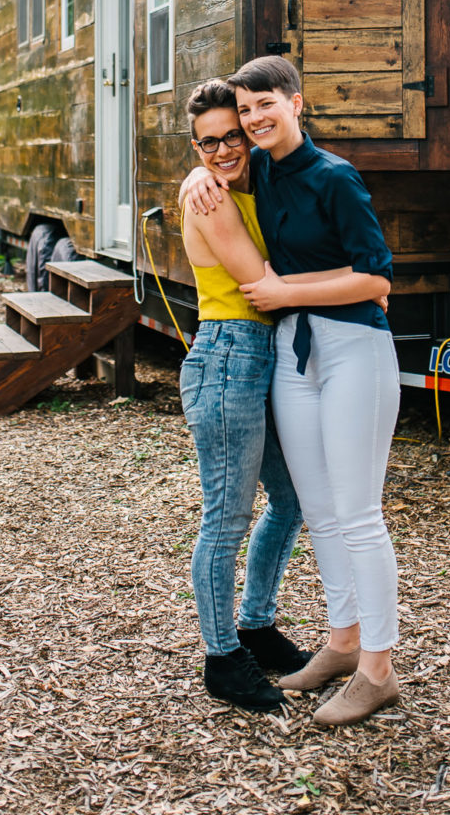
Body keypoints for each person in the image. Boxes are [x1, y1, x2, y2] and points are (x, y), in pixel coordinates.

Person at [183, 56, 402, 728]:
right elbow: (221, 190)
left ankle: (376, 668)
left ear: (294, 103)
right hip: (275, 352)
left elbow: (377, 280)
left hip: (342, 345)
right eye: (235, 120)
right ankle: (338, 643)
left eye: (253, 115)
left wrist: (286, 293)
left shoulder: (328, 176)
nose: (241, 132)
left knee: (350, 512)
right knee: (312, 507)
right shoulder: (247, 176)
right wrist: (198, 171)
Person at [178, 79, 308, 712]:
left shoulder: (251, 184)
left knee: (289, 498)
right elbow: (260, 285)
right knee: (225, 519)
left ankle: (256, 625)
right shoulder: (206, 197)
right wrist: (353, 282)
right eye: (208, 142)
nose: (224, 149)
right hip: (228, 358)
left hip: (263, 357)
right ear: (194, 146)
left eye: (233, 133)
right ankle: (223, 656)